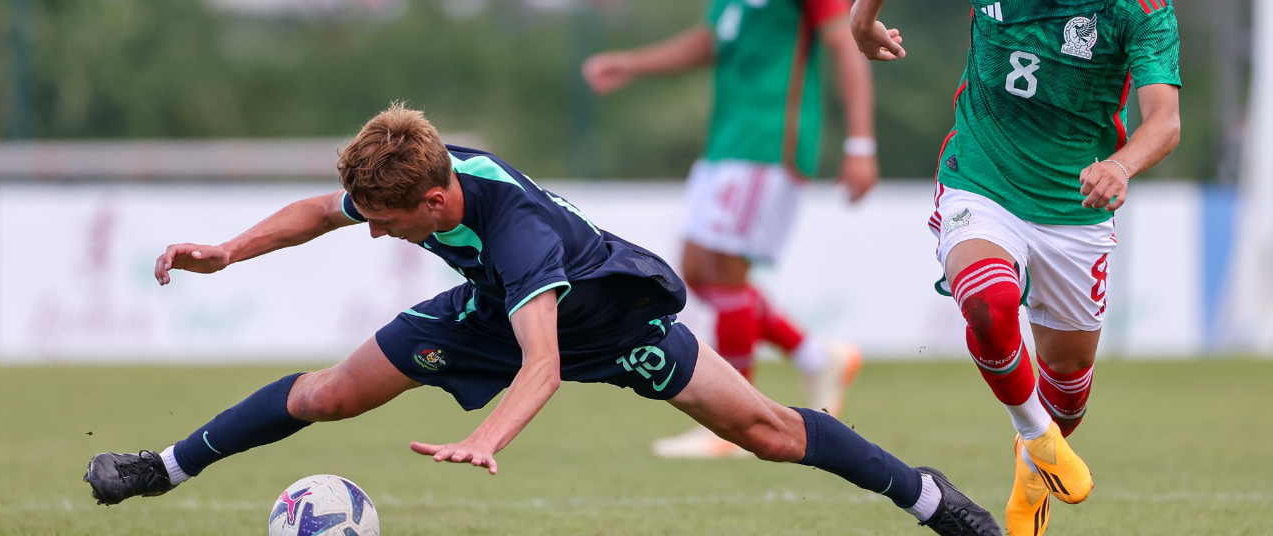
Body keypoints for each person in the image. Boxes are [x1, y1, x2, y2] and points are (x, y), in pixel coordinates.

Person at [84, 104, 1000, 536]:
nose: (376, 231)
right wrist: (226, 251)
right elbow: (324, 214)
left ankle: (927, 499)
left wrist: (489, 438)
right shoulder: (413, 178)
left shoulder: (515, 233)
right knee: (328, 395)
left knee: (764, 430)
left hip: (604, 319)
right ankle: (158, 471)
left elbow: (542, 368)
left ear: (439, 200)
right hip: (486, 312)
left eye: (391, 221)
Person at [849, 0, 1182, 536]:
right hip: (982, 176)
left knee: (1069, 386)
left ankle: (1038, 453)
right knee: (991, 307)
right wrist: (862, 16)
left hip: (1074, 205)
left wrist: (1120, 166)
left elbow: (1165, 121)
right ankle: (1034, 436)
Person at [583, 0, 875, 459]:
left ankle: (736, 423)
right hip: (728, 142)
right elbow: (715, 41)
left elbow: (844, 42)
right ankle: (819, 358)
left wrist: (859, 141)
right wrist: (633, 64)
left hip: (770, 144)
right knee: (694, 273)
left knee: (724, 272)